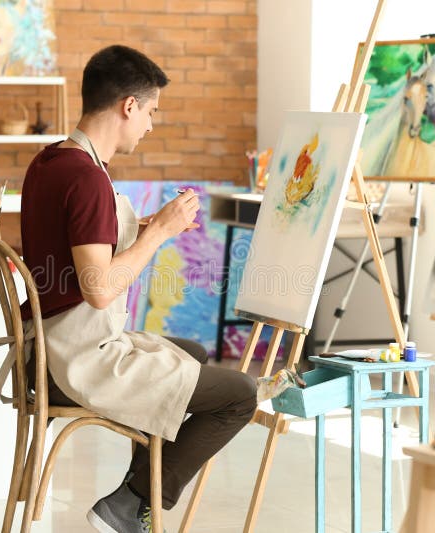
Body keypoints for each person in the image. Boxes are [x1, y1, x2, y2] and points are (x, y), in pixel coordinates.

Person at [19, 45, 257, 532]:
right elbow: (99, 289)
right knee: (240, 394)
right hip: (72, 360)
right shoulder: (86, 178)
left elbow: (79, 247)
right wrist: (159, 234)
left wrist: (146, 224)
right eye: (150, 111)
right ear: (128, 106)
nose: (151, 125)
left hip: (43, 347)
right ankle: (132, 502)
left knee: (188, 350)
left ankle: (133, 496)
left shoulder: (51, 162)